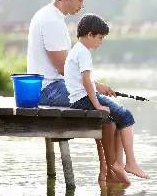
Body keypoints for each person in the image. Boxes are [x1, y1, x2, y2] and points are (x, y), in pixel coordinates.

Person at [26, 0, 120, 183]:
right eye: (80, 0)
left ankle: (107, 170)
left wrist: (94, 87)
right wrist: (94, 87)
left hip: (51, 85)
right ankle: (108, 172)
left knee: (104, 108)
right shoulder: (51, 21)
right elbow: (63, 68)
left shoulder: (50, 16)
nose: (82, 5)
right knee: (108, 110)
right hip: (48, 89)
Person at [64, 13, 150, 182]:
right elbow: (87, 82)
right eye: (100, 37)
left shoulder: (77, 50)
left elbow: (85, 82)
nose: (100, 42)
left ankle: (118, 163)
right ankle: (130, 163)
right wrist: (97, 105)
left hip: (77, 99)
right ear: (89, 34)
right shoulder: (83, 53)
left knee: (119, 118)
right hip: (83, 100)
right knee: (126, 116)